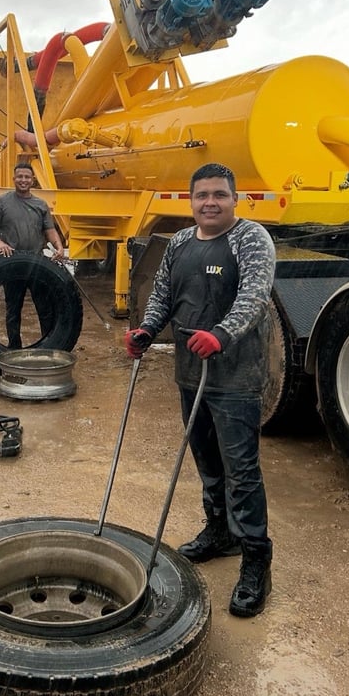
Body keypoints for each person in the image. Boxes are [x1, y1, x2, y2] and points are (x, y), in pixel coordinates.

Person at [124, 162, 276, 617]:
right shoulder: (180, 243)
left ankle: (256, 561)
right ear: (191, 201)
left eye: (219, 194)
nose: (210, 202)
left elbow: (255, 295)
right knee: (207, 461)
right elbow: (163, 296)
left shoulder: (250, 238)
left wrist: (223, 334)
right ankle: (220, 532)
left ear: (235, 198)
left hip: (235, 377)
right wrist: (147, 330)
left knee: (242, 470)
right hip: (191, 372)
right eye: (202, 195)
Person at [0, 161, 66, 349]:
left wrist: (59, 247)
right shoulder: (2, 202)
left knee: (45, 310)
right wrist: (0, 243)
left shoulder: (40, 204)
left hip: (37, 263)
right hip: (12, 263)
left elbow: (50, 230)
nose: (23, 180)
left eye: (27, 177)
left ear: (33, 180)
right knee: (13, 310)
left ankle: (48, 348)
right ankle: (14, 349)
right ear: (14, 179)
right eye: (20, 177)